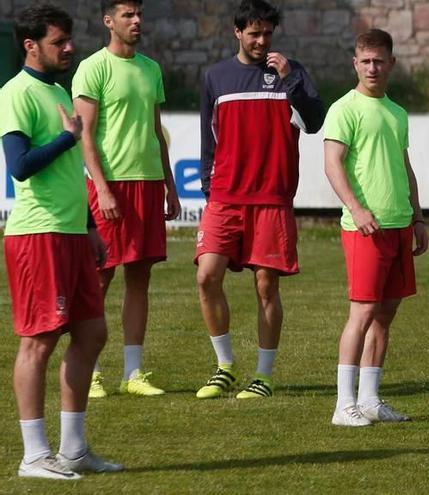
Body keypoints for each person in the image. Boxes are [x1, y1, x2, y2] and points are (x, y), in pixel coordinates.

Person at [0, 4, 123, 479]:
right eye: (59, 42)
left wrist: (90, 227)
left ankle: (73, 450)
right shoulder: (16, 92)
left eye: (69, 39)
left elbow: (72, 174)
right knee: (39, 342)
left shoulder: (57, 89)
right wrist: (70, 139)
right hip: (39, 234)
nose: (69, 48)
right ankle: (34, 455)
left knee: (92, 333)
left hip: (71, 232)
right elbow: (20, 165)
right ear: (31, 46)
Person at [195, 0, 324, 400]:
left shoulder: (293, 72)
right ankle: (225, 367)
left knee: (266, 286)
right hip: (225, 198)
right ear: (237, 32)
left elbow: (315, 121)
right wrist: (207, 186)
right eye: (253, 33)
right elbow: (208, 138)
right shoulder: (216, 76)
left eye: (267, 33)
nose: (261, 40)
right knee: (206, 276)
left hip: (271, 198)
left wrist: (290, 81)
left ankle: (264, 375)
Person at [72, 0, 181, 399]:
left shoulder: (151, 68)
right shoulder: (93, 67)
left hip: (148, 184)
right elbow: (84, 135)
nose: (136, 22)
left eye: (139, 15)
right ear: (109, 21)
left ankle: (133, 373)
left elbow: (156, 130)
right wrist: (100, 187)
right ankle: (92, 371)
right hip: (111, 185)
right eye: (127, 15)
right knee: (99, 278)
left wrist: (169, 184)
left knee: (140, 277)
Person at [323, 29, 428, 427]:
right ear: (355, 63)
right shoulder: (344, 109)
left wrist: (417, 216)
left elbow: (404, 168)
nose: (372, 67)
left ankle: (369, 400)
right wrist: (356, 207)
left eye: (379, 60)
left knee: (386, 314)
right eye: (365, 61)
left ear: (391, 64)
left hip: (399, 224)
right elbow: (333, 164)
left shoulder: (396, 112)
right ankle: (342, 404)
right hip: (364, 228)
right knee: (362, 312)